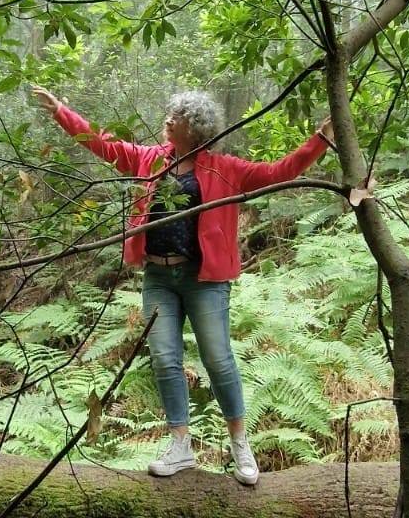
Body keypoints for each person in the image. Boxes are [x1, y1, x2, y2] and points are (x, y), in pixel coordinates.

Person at [33, 87, 334, 485]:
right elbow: (103, 144)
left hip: (203, 280)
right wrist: (62, 112)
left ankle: (240, 444)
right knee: (164, 358)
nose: (168, 120)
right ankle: (180, 446)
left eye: (177, 116)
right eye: (170, 113)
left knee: (218, 359)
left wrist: (320, 141)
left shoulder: (224, 168)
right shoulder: (149, 159)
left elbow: (279, 171)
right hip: (158, 277)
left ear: (194, 129)